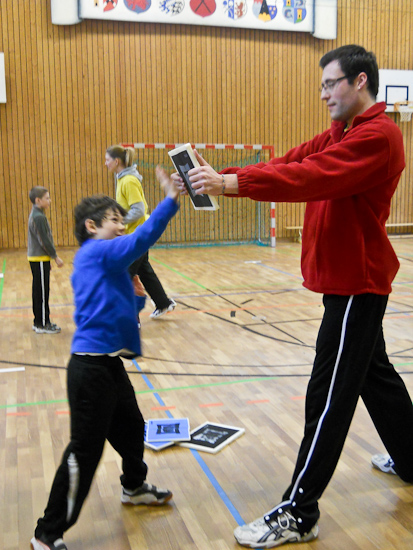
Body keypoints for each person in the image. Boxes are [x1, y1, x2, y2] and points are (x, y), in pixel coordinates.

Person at [173, 45, 413, 548]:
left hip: (358, 286)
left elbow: (309, 177)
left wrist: (231, 183)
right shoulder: (339, 134)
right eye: (322, 85)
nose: (324, 93)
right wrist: (212, 177)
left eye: (332, 83)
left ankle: (300, 511)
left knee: (328, 398)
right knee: (377, 377)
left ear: (361, 81)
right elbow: (289, 162)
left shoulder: (379, 137)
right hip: (344, 284)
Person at [30, 167, 179, 550]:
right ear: (92, 226)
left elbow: (125, 311)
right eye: (114, 220)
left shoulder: (102, 263)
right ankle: (46, 533)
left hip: (109, 365)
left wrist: (138, 296)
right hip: (90, 371)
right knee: (84, 452)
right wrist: (170, 200)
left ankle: (133, 487)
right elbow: (143, 236)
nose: (121, 226)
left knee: (132, 428)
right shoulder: (96, 252)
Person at [105, 144, 176, 320]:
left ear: (116, 161)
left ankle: (132, 319)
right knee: (144, 271)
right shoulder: (122, 179)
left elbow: (138, 209)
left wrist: (118, 223)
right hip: (134, 235)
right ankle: (163, 303)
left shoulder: (128, 181)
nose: (105, 163)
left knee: (125, 275)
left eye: (107, 160)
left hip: (136, 236)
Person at [28, 186, 64, 334]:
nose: (50, 201)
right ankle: (42, 324)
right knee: (42, 292)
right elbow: (45, 241)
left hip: (40, 259)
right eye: (47, 198)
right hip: (39, 259)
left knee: (39, 290)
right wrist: (55, 257)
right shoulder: (38, 217)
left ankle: (39, 321)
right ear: (38, 200)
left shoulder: (37, 214)